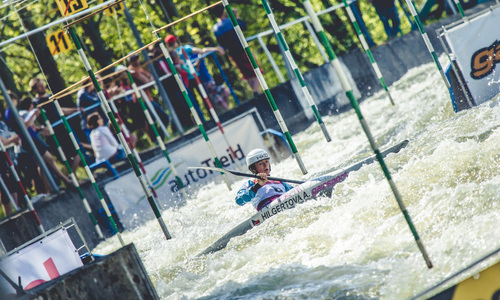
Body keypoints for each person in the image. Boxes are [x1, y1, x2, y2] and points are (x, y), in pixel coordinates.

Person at [212, 6, 261, 96]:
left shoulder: (216, 28)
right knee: (257, 70)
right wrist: (236, 16)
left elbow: (221, 43)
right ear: (223, 12)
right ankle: (256, 92)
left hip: (233, 54)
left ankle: (256, 92)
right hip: (243, 49)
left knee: (247, 74)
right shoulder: (230, 21)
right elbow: (243, 26)